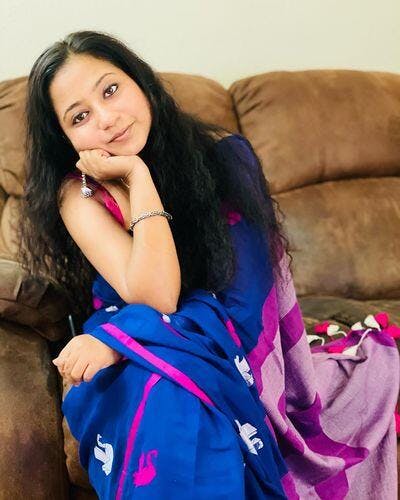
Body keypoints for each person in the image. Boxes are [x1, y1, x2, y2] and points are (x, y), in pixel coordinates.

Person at [18, 30, 399, 499]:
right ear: (67, 139)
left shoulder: (226, 159)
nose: (106, 118)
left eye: (111, 90)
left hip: (197, 341)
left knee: (177, 395)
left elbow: (244, 305)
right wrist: (136, 182)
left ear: (140, 82)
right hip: (131, 342)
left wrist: (121, 341)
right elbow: (155, 295)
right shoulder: (78, 193)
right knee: (160, 393)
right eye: (80, 116)